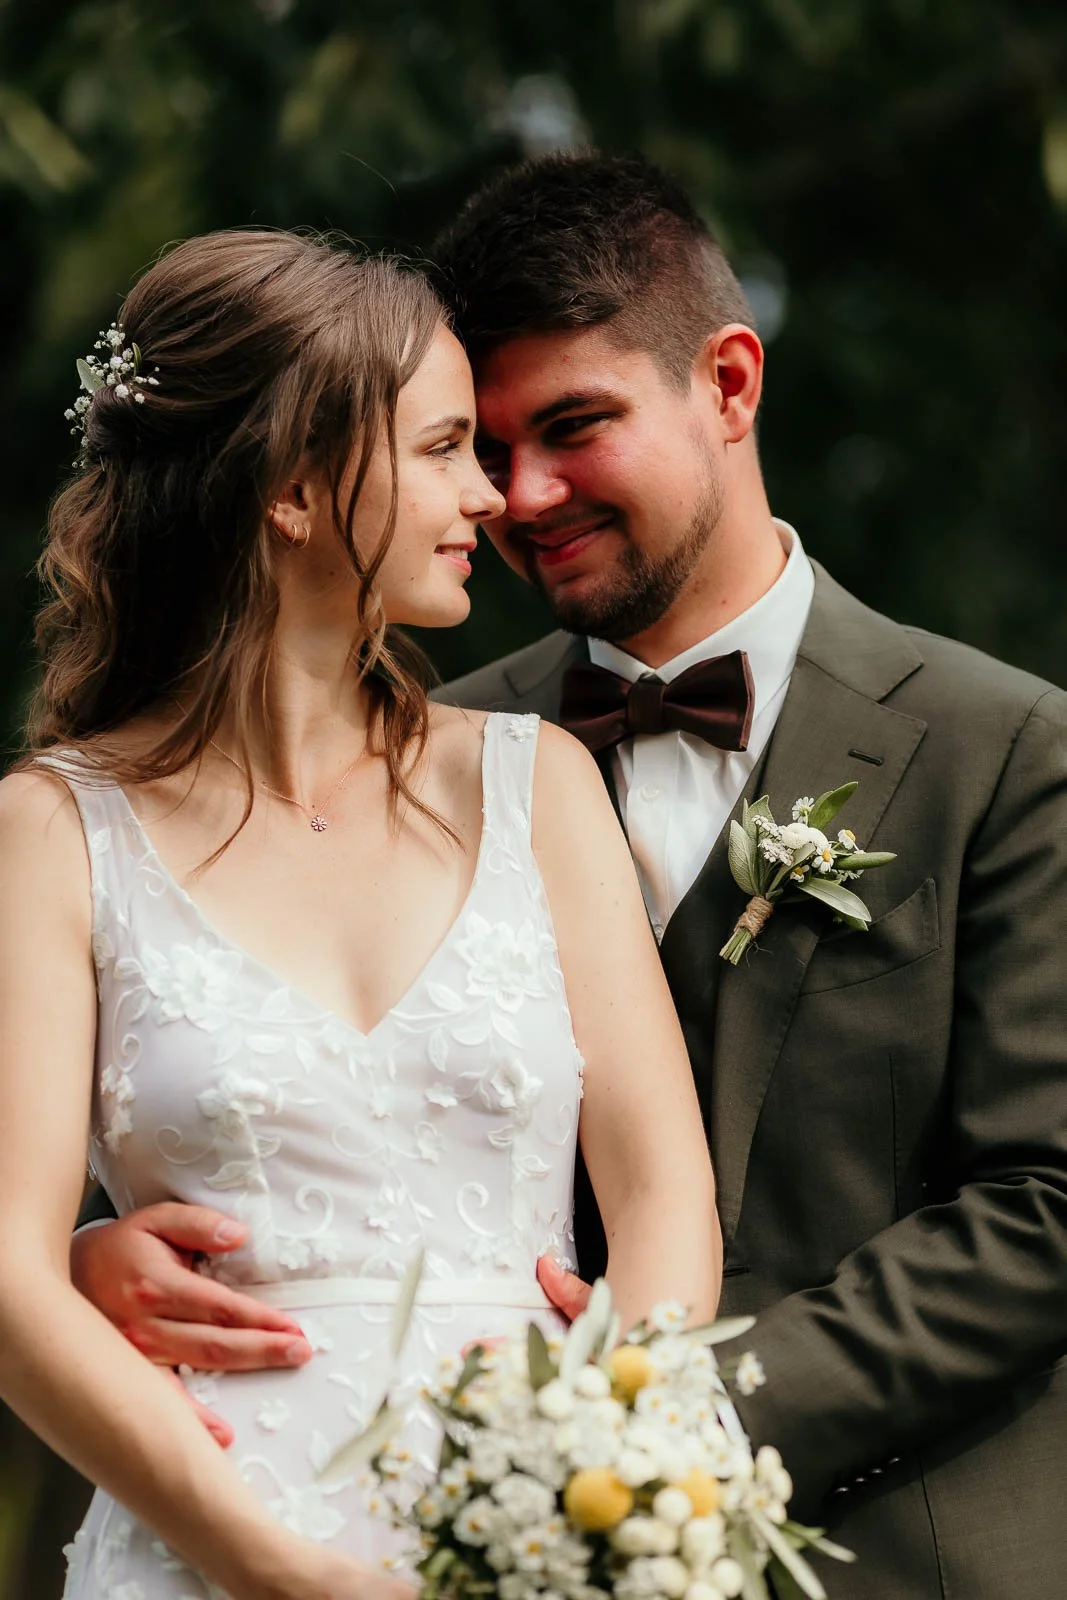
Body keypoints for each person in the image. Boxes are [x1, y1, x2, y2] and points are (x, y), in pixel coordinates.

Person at [71, 155, 1067, 1599]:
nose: (517, 494)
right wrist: (98, 1254)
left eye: (574, 428)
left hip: (899, 1549)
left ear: (727, 386)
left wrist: (641, 1428)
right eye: (477, 442)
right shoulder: (442, 749)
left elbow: (1044, 1202)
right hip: (429, 1528)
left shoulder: (1007, 750)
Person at [0, 226, 721, 1600]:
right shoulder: (52, 829)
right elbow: (9, 1278)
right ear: (293, 491)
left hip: (540, 1536)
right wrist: (271, 1572)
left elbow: (661, 1194)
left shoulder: (538, 786)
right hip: (207, 1547)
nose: (496, 496)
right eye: (445, 447)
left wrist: (604, 1484)